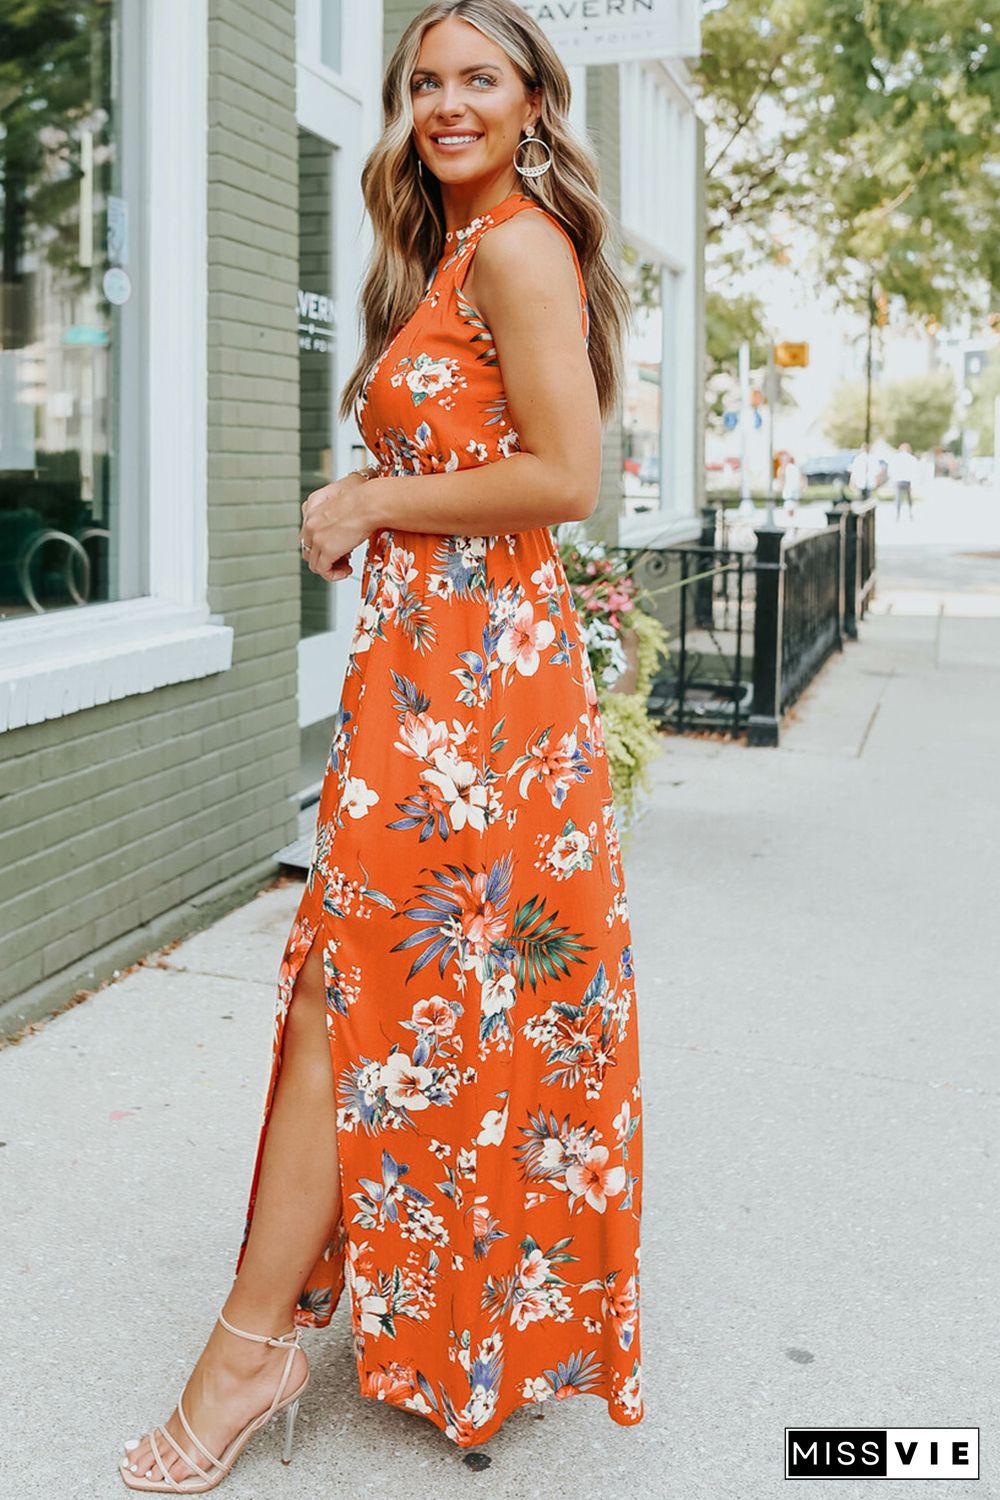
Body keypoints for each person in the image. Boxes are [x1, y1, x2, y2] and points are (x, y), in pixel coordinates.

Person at [118, 1, 644, 1489]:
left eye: (479, 79)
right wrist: (379, 498)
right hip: (430, 693)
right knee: (377, 999)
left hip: (479, 710)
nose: (445, 103)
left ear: (537, 101)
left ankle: (246, 1354)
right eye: (424, 83)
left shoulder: (525, 246)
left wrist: (366, 502)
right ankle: (353, 1327)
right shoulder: (454, 256)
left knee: (355, 998)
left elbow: (564, 475)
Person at [888, 441, 920, 520]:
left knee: (898, 498)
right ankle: (910, 513)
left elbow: (891, 470)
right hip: (907, 481)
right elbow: (915, 471)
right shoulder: (911, 458)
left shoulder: (896, 457)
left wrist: (893, 480)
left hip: (899, 480)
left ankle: (897, 514)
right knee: (909, 499)